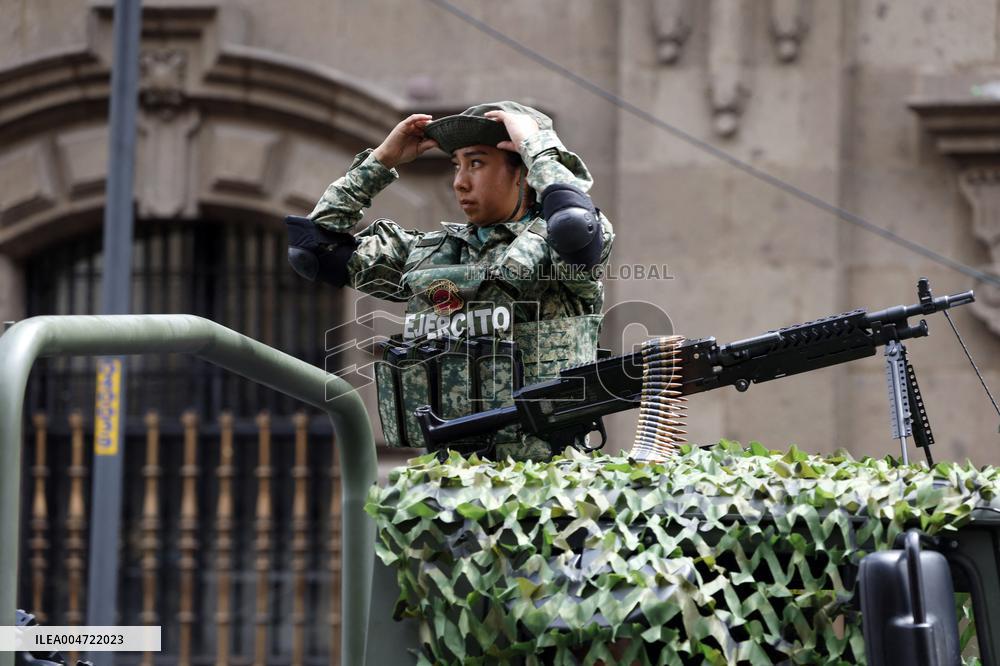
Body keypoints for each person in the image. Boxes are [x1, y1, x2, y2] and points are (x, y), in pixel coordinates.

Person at [286, 101, 614, 460]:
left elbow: (575, 226)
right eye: (456, 165)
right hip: (451, 476)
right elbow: (313, 249)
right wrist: (381, 162)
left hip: (547, 481)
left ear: (522, 173)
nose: (460, 181)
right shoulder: (429, 252)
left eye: (476, 163)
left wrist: (536, 148)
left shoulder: (555, 243)